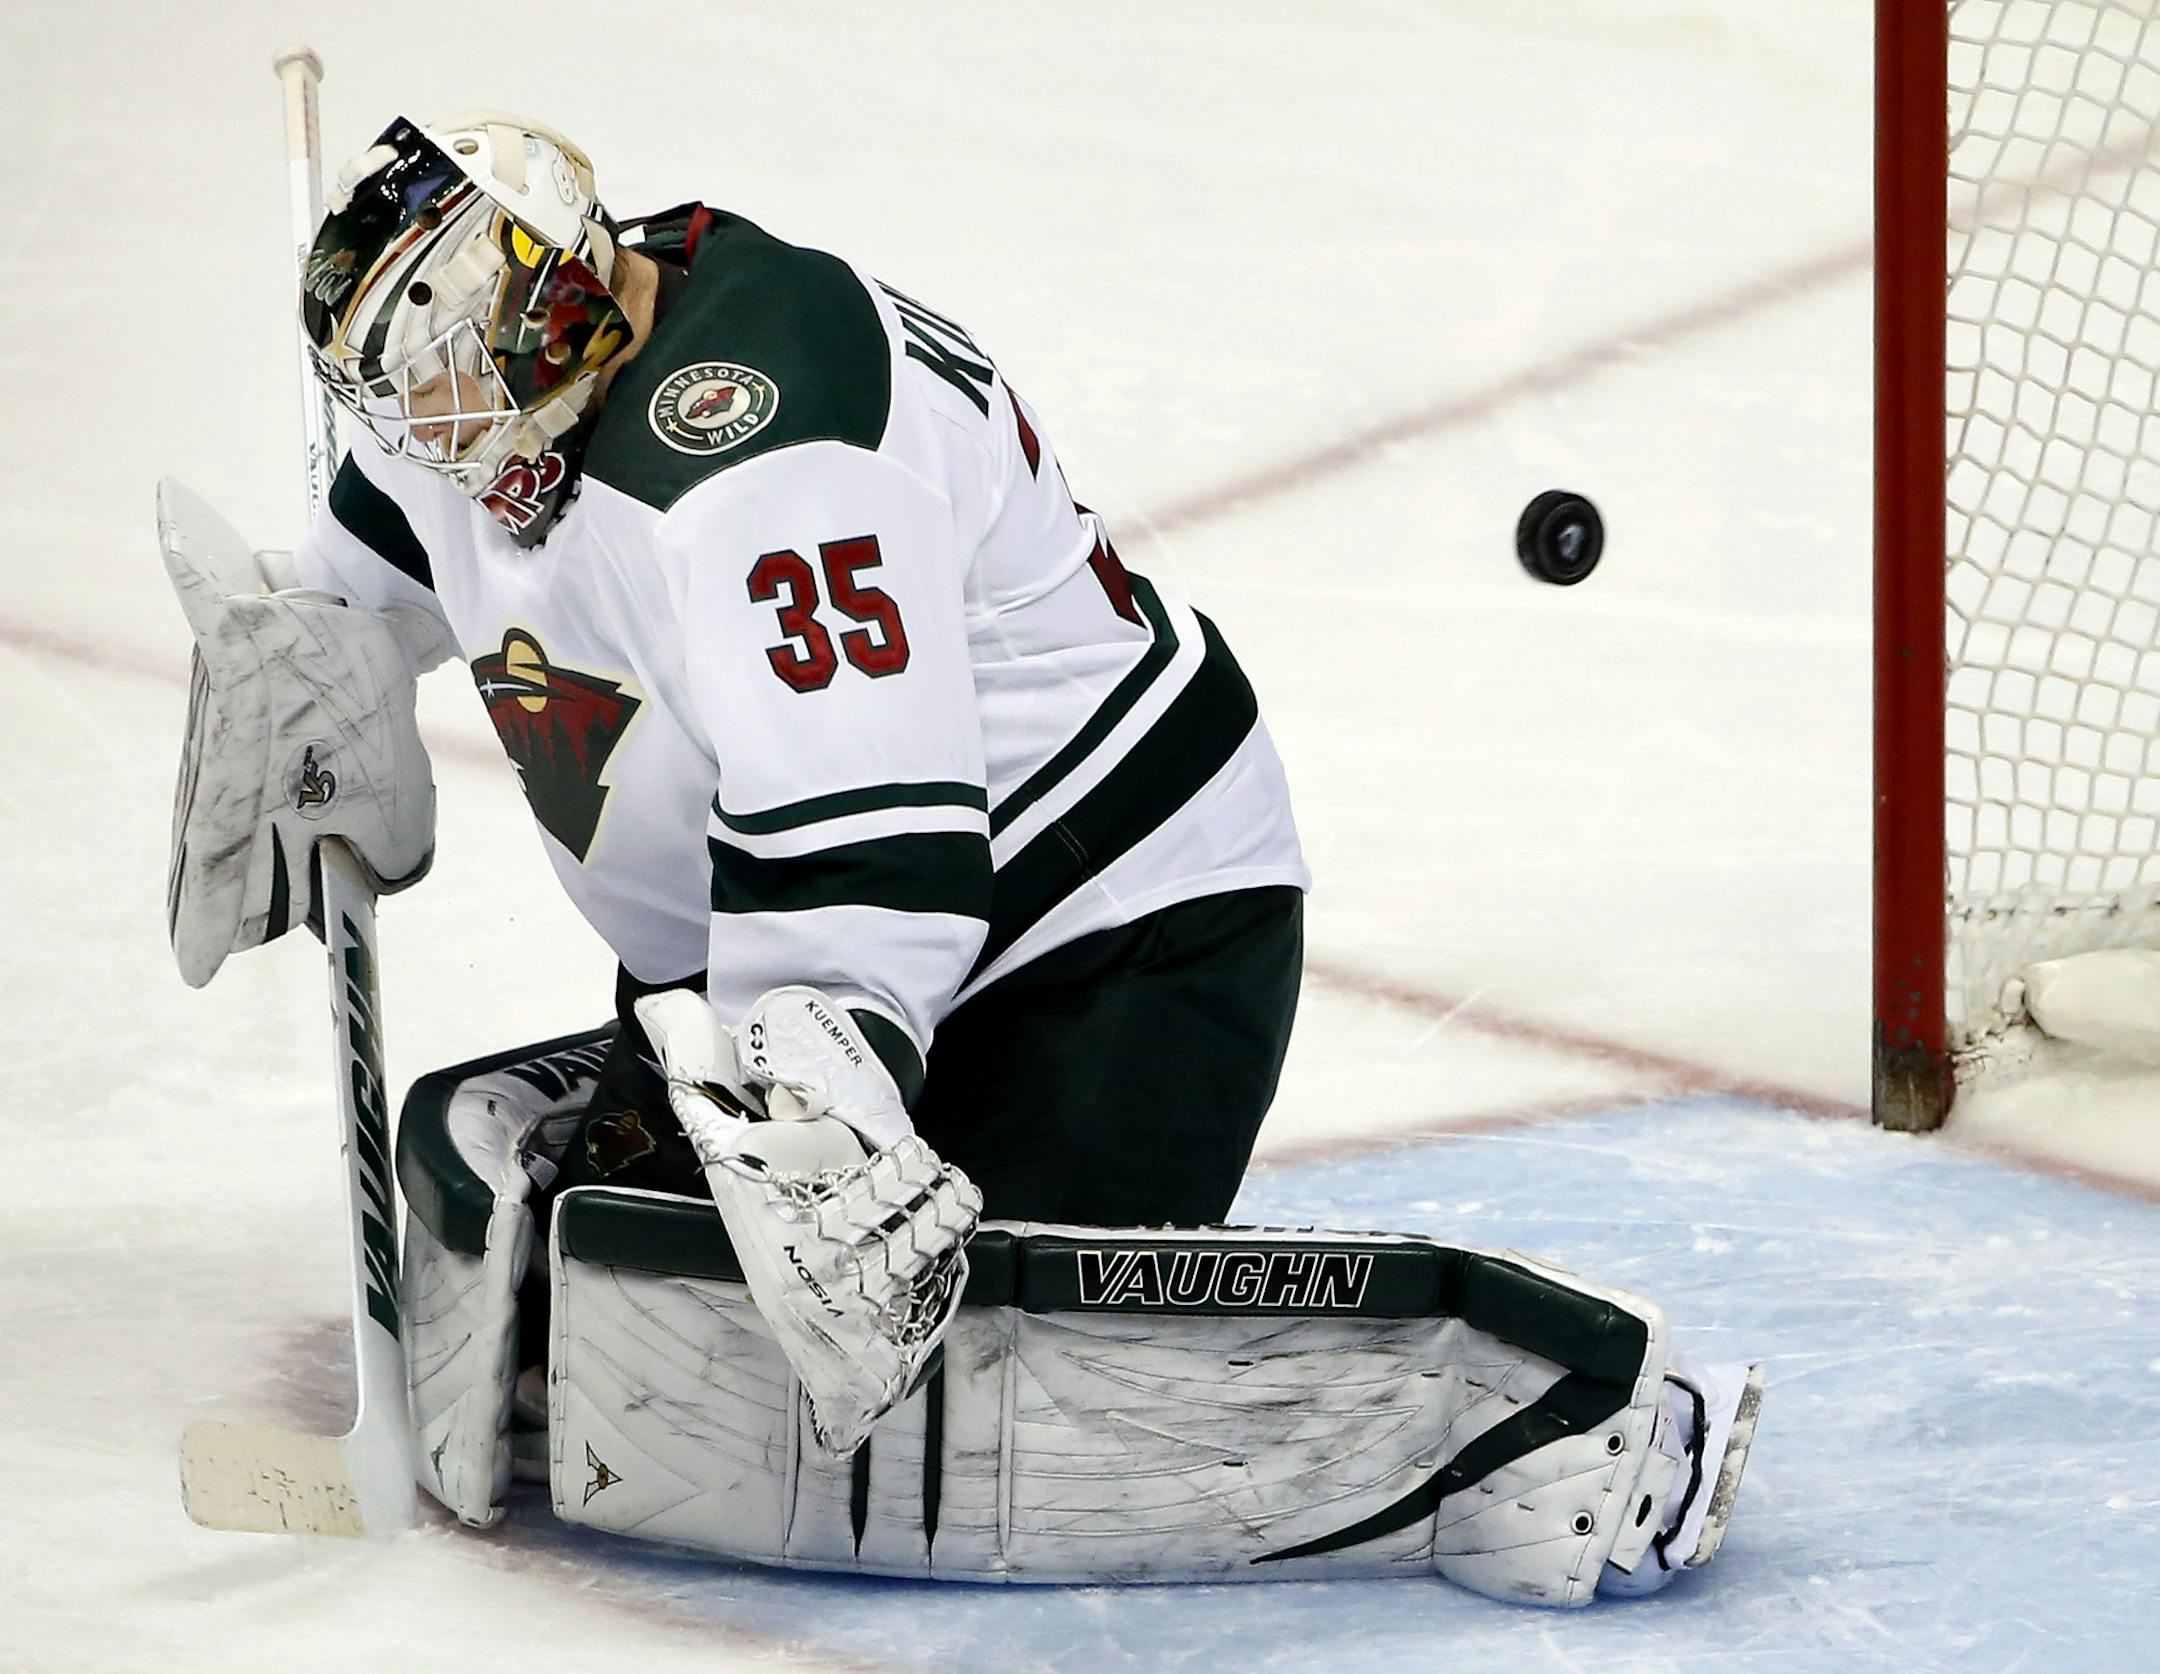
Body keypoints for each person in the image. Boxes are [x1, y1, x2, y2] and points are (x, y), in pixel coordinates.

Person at [164, 111, 1759, 1591]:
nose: (428, 432)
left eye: (448, 383)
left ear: (554, 301)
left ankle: (1562, 1416)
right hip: (776, 938)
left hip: (1114, 929)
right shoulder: (494, 391)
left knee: (959, 1369)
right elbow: (374, 569)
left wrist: (817, 1091)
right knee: (642, 1325)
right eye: (398, 394)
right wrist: (308, 658)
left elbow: (874, 837)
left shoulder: (769, 462)